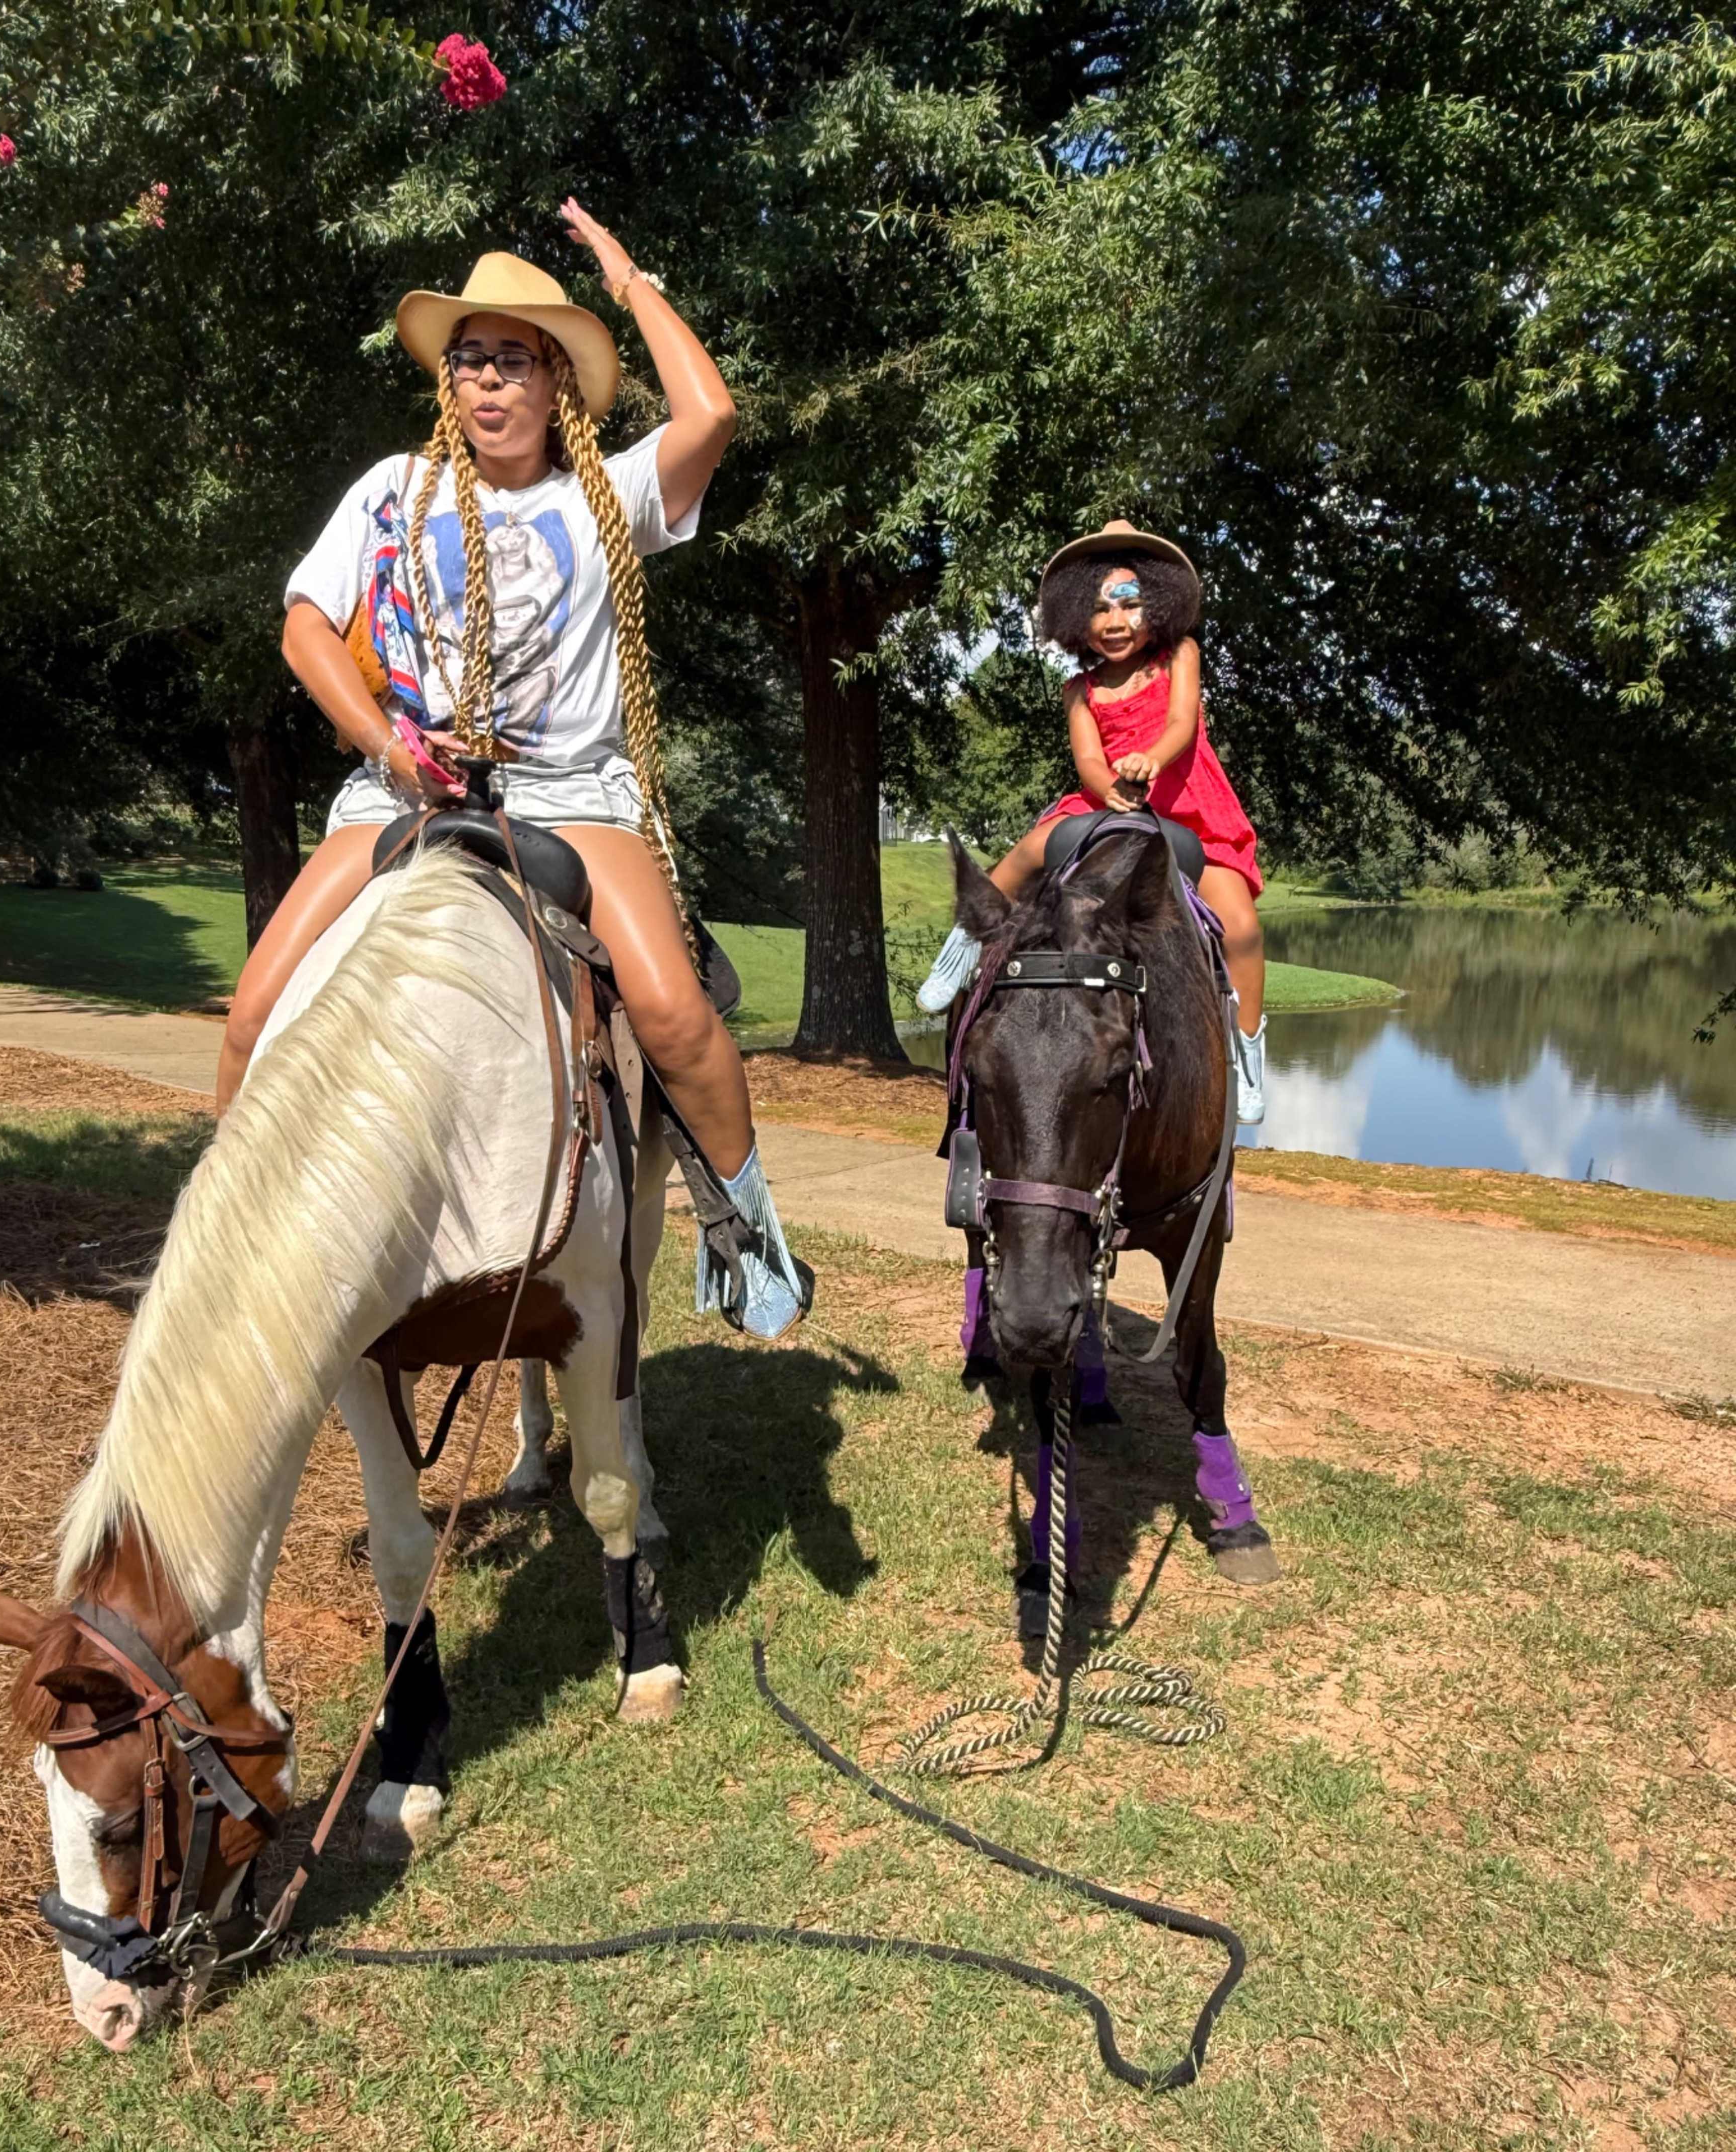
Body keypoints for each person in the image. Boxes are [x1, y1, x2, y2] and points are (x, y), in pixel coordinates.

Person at [215, 208, 808, 1338]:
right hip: (398, 789)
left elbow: (713, 411)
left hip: (573, 795)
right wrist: (388, 747)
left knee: (678, 1017)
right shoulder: (394, 488)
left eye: (515, 360)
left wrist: (628, 279)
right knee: (251, 1019)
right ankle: (235, 1252)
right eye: (471, 359)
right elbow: (305, 626)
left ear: (558, 384)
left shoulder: (608, 497)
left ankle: (745, 1229)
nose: (489, 383)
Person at [921, 520, 1268, 1124]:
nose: (1115, 622)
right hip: (1108, 798)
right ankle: (961, 947)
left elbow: (1182, 725)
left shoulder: (1180, 656)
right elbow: (1087, 760)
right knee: (1031, 849)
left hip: (1186, 802)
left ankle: (1246, 1049)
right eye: (1099, 608)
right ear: (1075, 617)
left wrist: (1151, 760)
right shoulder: (1079, 689)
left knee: (1240, 926)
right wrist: (1114, 789)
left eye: (1130, 605)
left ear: (1158, 605)